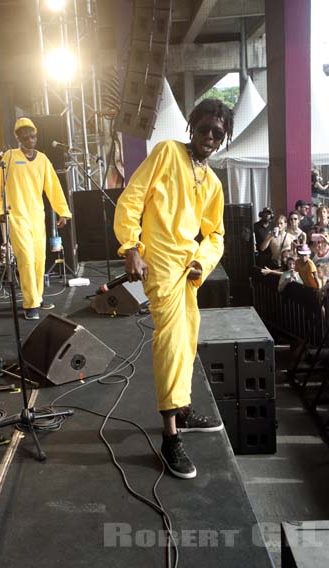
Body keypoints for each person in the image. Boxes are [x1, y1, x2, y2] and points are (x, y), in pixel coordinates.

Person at [114, 98, 233, 479]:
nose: (209, 138)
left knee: (187, 337)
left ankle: (180, 406)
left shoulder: (212, 182)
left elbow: (216, 233)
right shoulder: (166, 153)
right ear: (191, 127)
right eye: (204, 129)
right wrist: (131, 247)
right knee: (169, 338)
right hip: (159, 263)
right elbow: (131, 199)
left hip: (187, 268)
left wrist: (203, 259)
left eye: (218, 133)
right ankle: (170, 435)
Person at [0, 117, 72, 320]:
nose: (30, 140)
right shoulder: (9, 157)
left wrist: (63, 211)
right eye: (25, 137)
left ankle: (38, 295)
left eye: (33, 136)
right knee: (25, 258)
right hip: (16, 215)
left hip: (36, 215)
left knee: (38, 258)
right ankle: (30, 304)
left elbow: (53, 186)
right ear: (18, 137)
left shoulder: (43, 159)